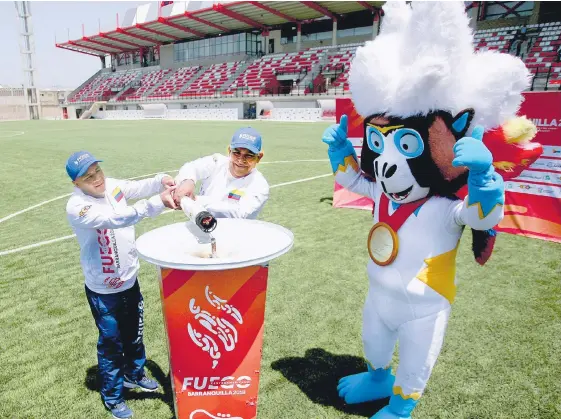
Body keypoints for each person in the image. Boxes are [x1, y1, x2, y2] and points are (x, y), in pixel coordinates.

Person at [65, 151, 177, 419]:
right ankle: (113, 397)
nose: (96, 179)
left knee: (135, 335)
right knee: (112, 344)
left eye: (97, 171)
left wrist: (161, 180)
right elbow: (118, 218)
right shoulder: (77, 207)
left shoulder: (112, 185)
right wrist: (157, 203)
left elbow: (138, 187)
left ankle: (134, 374)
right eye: (88, 176)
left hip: (130, 280)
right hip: (104, 291)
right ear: (77, 183)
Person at [173, 127, 269, 219]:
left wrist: (196, 200)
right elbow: (192, 167)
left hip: (235, 232)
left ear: (259, 157)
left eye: (249, 155)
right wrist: (188, 181)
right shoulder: (217, 162)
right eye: (236, 153)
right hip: (199, 228)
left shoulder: (259, 184)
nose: (241, 160)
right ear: (229, 151)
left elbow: (240, 212)